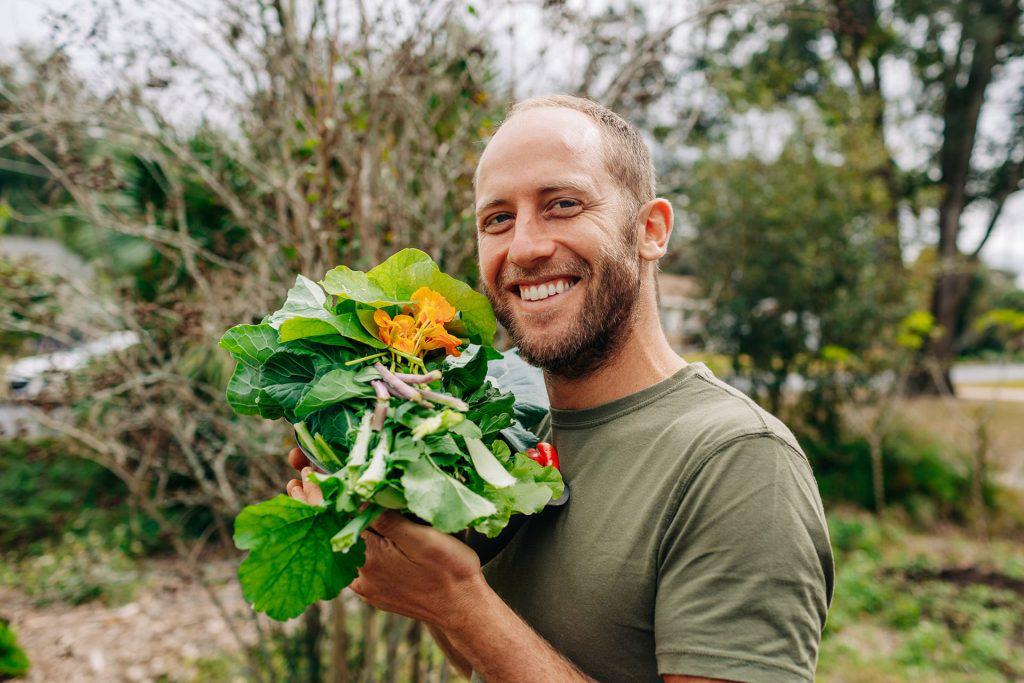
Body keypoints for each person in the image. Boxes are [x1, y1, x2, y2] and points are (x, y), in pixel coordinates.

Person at [286, 94, 834, 682]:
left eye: (563, 205)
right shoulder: (502, 433)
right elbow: (485, 661)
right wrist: (412, 552)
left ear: (651, 230)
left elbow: (476, 618)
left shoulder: (739, 460)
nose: (524, 246)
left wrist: (459, 601)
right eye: (497, 219)